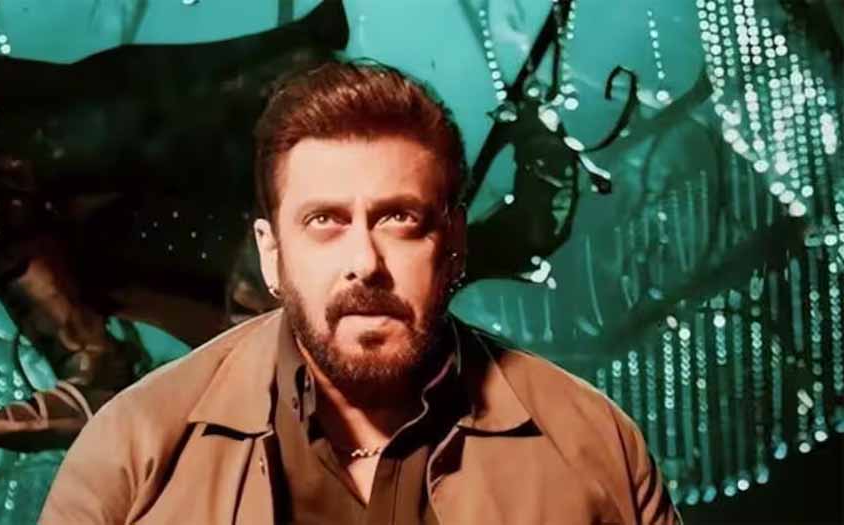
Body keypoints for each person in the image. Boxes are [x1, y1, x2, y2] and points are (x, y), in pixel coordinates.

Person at [39, 60, 681, 524]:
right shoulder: (133, 449)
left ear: (453, 243)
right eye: (325, 221)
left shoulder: (595, 447)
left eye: (399, 219)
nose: (364, 263)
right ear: (271, 253)